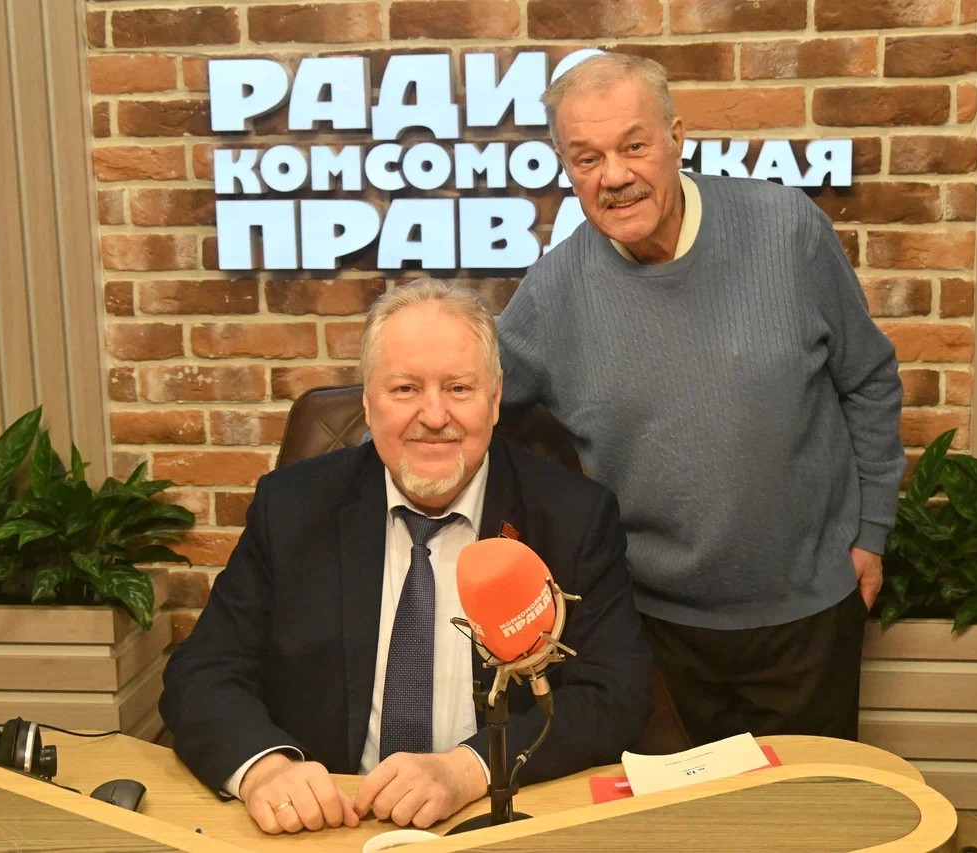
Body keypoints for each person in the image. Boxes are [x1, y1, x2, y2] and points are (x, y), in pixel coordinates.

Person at [497, 54, 906, 748]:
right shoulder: (554, 290)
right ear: (566, 168)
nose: (614, 176)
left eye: (634, 146)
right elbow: (471, 399)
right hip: (654, 630)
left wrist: (871, 530)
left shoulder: (786, 229)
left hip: (809, 611)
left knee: (810, 806)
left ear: (676, 137)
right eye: (587, 158)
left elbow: (868, 378)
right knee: (682, 811)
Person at [160, 279, 651, 834]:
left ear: (494, 401)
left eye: (459, 388)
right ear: (369, 404)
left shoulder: (573, 516)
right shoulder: (292, 507)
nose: (434, 415)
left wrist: (468, 769)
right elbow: (203, 671)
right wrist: (266, 770)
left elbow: (616, 693)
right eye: (405, 389)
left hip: (493, 820)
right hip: (331, 824)